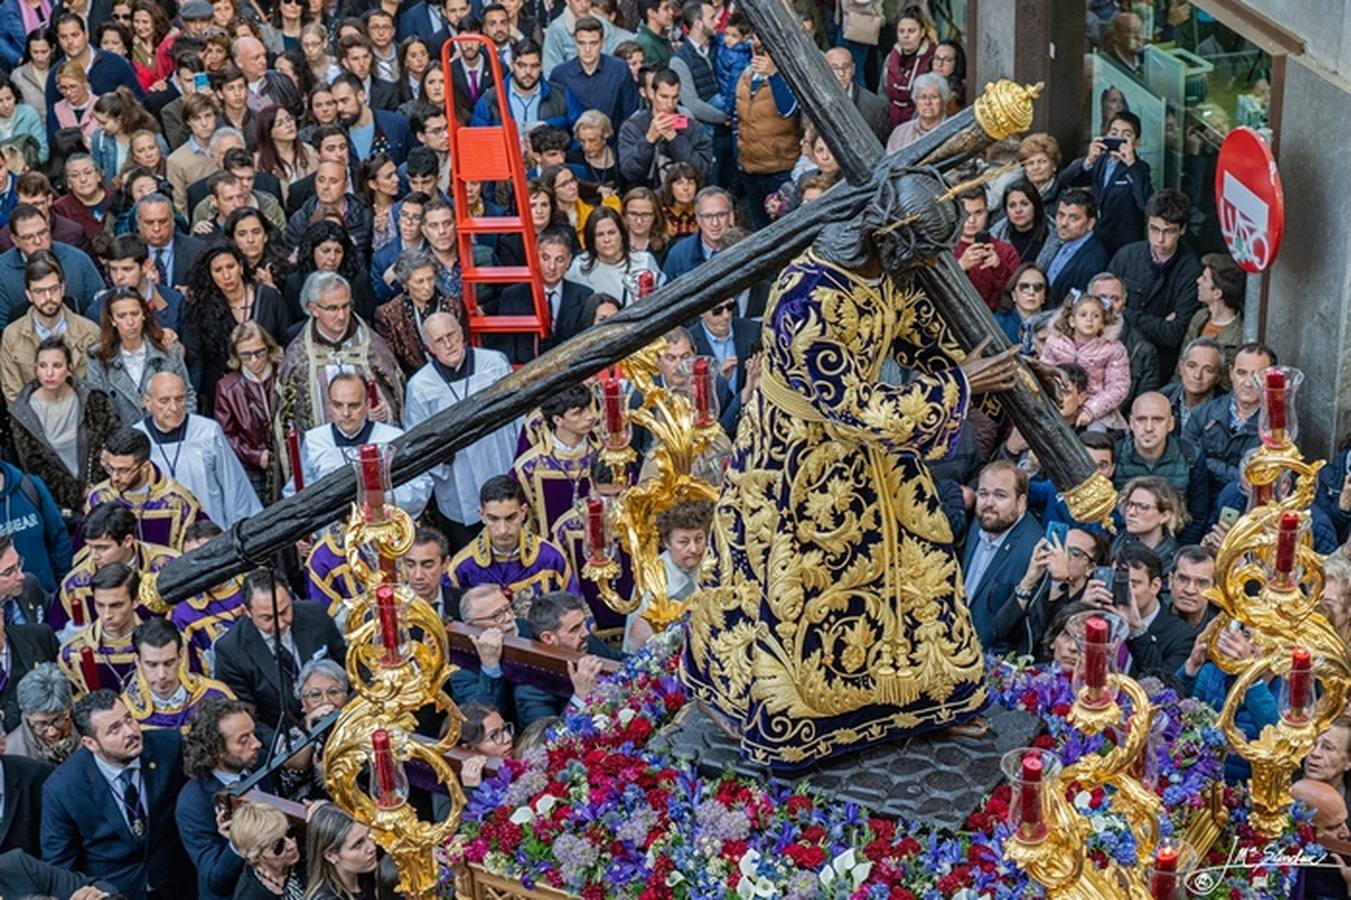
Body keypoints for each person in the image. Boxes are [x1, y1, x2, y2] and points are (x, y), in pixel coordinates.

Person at [39, 689, 189, 899]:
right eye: (114, 729)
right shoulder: (63, 789)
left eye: (129, 719)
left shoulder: (170, 748)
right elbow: (60, 866)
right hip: (115, 893)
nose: (130, 731)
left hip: (178, 886)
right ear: (90, 744)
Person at [405, 313, 518, 550]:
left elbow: (518, 417)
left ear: (462, 333)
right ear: (428, 347)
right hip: (459, 482)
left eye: (452, 335)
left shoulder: (494, 364)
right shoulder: (420, 386)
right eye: (439, 340)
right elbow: (418, 442)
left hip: (499, 464)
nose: (448, 344)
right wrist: (443, 456)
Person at [213, 567, 346, 738]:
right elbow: (245, 716)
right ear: (246, 611)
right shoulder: (230, 651)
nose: (280, 624)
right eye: (267, 618)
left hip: (339, 718)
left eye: (284, 612)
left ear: (290, 595)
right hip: (287, 741)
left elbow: (347, 665)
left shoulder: (315, 614)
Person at [284, 372, 432, 517]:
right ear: (329, 406)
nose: (346, 413)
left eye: (353, 405)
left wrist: (379, 499)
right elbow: (299, 492)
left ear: (367, 405)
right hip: (332, 533)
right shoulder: (313, 441)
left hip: (382, 528)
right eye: (338, 405)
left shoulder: (392, 438)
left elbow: (420, 487)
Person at [276, 272, 403, 434]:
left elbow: (395, 394)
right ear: (313, 309)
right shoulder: (298, 356)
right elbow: (286, 419)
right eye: (332, 308)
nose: (342, 315)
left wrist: (386, 412)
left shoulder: (371, 347)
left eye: (345, 306)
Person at [132, 371, 262, 529]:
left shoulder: (207, 432)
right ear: (147, 401)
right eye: (164, 401)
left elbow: (233, 486)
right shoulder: (136, 439)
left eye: (180, 399)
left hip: (209, 534)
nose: (174, 408)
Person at [182, 244, 290, 411]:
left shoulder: (269, 297)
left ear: (240, 267)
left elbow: (286, 338)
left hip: (269, 389)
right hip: (226, 396)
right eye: (218, 270)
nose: (226, 275)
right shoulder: (203, 308)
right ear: (210, 275)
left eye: (230, 267)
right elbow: (195, 352)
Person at [175, 696, 264, 900]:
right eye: (244, 740)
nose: (257, 743)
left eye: (254, 733)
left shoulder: (260, 764)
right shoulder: (192, 803)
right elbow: (216, 880)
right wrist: (236, 842)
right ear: (217, 750)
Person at [1108, 189, 1203, 377]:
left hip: (1159, 367)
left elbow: (1174, 333)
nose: (1160, 239)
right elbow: (1101, 308)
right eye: (1154, 229)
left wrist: (1124, 312)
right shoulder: (1127, 256)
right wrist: (1158, 323)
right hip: (1116, 356)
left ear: (1182, 230)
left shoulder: (1190, 270)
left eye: (1169, 231)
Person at [448, 476, 578, 609]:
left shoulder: (550, 559)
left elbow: (573, 612)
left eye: (511, 518)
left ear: (523, 512)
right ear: (481, 515)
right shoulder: (462, 567)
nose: (503, 530)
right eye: (493, 519)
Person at [52, 503, 178, 634]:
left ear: (127, 541)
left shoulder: (169, 567)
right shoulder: (74, 585)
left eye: (103, 548)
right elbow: (58, 633)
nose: (94, 556)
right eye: (90, 547)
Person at [85, 288, 193, 425]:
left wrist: (182, 432)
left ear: (144, 314)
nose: (130, 322)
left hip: (168, 434)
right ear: (112, 320)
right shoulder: (98, 357)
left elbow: (187, 395)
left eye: (135, 314)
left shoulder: (168, 350)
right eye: (122, 316)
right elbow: (98, 408)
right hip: (122, 440)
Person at [994, 527, 1108, 658]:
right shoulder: (1041, 583)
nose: (1062, 556)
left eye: (1074, 552)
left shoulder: (1090, 600)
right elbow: (1001, 631)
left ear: (1090, 568)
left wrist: (1061, 584)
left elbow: (1048, 647)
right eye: (1061, 547)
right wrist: (1028, 580)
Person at [85, 428, 203, 552]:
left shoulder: (178, 501)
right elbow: (85, 554)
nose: (114, 477)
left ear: (145, 466)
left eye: (123, 470)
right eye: (110, 469)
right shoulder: (99, 498)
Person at [1113, 392, 1208, 544]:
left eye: (1157, 420)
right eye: (1141, 419)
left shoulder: (1190, 457)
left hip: (1174, 543)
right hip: (1122, 543)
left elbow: (1198, 514)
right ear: (1131, 423)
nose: (1149, 428)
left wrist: (1179, 552)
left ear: (1170, 424)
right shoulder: (1115, 454)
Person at [1183, 342, 1275, 498]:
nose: (1248, 383)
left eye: (1257, 375)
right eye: (1241, 373)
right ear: (1231, 373)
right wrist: (1238, 475)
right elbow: (1186, 459)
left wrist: (1208, 463)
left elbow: (1264, 480)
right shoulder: (1203, 413)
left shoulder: (1278, 427)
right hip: (1199, 497)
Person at [516, 590, 619, 725]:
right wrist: (580, 696)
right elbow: (549, 740)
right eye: (575, 628)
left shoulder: (586, 642)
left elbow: (619, 659)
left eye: (584, 623)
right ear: (548, 638)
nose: (585, 632)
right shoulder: (532, 689)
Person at [1061, 110, 1152, 257]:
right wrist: (1089, 160)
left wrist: (1131, 165)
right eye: (1114, 133)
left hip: (1124, 245)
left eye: (1126, 135)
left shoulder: (1140, 168)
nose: (1118, 138)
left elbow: (1146, 203)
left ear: (1136, 142)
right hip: (1097, 239)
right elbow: (1064, 181)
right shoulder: (1100, 162)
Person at [510, 384, 598, 537]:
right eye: (578, 413)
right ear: (558, 420)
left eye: (588, 408)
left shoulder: (605, 455)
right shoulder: (528, 468)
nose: (590, 416)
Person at [626, 498, 711, 652]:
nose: (694, 549)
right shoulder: (653, 577)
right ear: (667, 542)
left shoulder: (713, 564)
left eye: (699, 539)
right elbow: (639, 636)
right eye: (684, 542)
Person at [1038, 290, 1129, 431]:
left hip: (1097, 409)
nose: (1089, 319)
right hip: (1059, 401)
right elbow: (1044, 372)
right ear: (1072, 320)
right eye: (1083, 314)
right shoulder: (1055, 342)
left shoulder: (1113, 350)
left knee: (1096, 434)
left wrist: (1091, 410)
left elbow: (1118, 387)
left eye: (1096, 316)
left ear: (1102, 324)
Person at [0, 204, 106, 324]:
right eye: (29, 237)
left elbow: (101, 308)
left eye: (42, 233)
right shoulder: (2, 272)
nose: (38, 241)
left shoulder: (78, 261)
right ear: (15, 240)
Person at [121, 617, 233, 730]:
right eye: (152, 665)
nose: (161, 675)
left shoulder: (216, 696)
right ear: (137, 661)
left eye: (169, 663)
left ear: (181, 656)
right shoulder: (126, 711)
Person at [214, 322, 283, 502]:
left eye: (259, 352)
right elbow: (225, 436)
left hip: (289, 459)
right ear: (236, 355)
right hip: (252, 467)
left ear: (269, 348)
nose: (254, 360)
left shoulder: (283, 374)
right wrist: (255, 455)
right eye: (246, 355)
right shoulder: (227, 387)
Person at [373, 247, 464, 377]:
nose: (427, 287)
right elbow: (391, 362)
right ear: (405, 283)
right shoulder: (388, 314)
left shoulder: (454, 305)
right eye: (419, 281)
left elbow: (462, 345)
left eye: (430, 279)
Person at [617, 66, 712, 189]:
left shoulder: (692, 127)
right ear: (652, 94)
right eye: (664, 96)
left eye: (675, 97)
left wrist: (675, 139)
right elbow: (629, 172)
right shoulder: (632, 127)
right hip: (646, 198)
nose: (669, 104)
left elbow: (701, 170)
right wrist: (648, 140)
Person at [171, 520, 246, 675]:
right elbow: (193, 673)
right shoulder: (185, 613)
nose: (201, 566)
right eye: (192, 560)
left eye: (208, 555)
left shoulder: (255, 583)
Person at [58, 562, 147, 693]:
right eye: (100, 605)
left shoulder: (160, 644)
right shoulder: (72, 652)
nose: (106, 615)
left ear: (136, 601)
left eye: (116, 605)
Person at [1113, 541, 1191, 688]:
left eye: (1133, 584)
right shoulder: (1103, 617)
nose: (1123, 591)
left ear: (1155, 586)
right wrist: (1085, 611)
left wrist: (1137, 630)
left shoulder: (1181, 636)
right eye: (1117, 582)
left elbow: (1164, 688)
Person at [0, 553, 59, 731]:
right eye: (8, 572)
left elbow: (55, 617)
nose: (21, 576)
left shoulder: (29, 586)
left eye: (19, 565)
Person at [566, 206, 661, 305]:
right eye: (600, 235)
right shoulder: (579, 266)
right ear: (591, 239)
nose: (607, 240)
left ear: (621, 234)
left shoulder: (644, 261)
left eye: (611, 233)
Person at [1181, 252, 1245, 389]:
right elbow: (1182, 362)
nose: (1198, 281)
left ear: (1217, 293)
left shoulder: (1239, 337)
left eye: (1204, 279)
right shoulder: (1200, 317)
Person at [953, 187, 1019, 312]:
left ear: (987, 212)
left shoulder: (1006, 252)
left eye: (978, 213)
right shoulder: (942, 252)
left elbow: (1015, 299)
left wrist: (999, 267)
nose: (971, 220)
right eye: (966, 214)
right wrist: (960, 266)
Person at [1039, 188, 1108, 303]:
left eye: (1073, 218)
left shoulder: (1093, 261)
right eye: (1061, 215)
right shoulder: (1056, 240)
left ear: (1090, 223)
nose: (1064, 223)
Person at [227, 801, 303, 900]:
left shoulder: (303, 854)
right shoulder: (250, 896)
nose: (291, 845)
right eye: (278, 846)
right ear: (256, 856)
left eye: (290, 833)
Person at [303, 803, 378, 900]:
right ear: (331, 856)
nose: (372, 847)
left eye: (369, 835)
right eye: (357, 845)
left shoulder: (365, 875)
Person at [6, 663, 79, 763]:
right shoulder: (12, 754)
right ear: (27, 714)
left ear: (69, 706)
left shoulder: (90, 726)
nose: (52, 732)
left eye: (58, 720)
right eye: (41, 724)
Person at [1113, 476, 1186, 574]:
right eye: (1129, 504)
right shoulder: (1119, 540)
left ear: (1164, 516)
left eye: (1143, 507)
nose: (1131, 512)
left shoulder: (1173, 560)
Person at [660, 185, 730, 282]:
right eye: (708, 216)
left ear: (730, 216)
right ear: (698, 219)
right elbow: (665, 295)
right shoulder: (678, 255)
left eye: (721, 215)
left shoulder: (745, 247)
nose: (715, 223)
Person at [880, 5, 934, 128]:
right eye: (901, 31)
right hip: (890, 122)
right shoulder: (890, 58)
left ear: (922, 32)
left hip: (918, 124)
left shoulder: (931, 60)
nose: (906, 36)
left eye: (911, 31)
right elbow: (882, 91)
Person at [824, 47, 889, 142]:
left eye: (845, 67)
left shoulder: (874, 107)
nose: (841, 73)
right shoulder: (814, 99)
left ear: (853, 69)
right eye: (834, 68)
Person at [1161, 336, 1223, 434]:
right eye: (1191, 366)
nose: (1197, 375)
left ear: (1217, 377)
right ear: (1181, 368)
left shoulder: (1225, 409)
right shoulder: (1164, 398)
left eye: (1208, 370)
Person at [884, 70, 948, 152]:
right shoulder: (900, 133)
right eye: (922, 97)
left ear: (943, 101)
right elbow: (889, 163)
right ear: (915, 101)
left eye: (934, 97)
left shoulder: (954, 132)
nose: (928, 102)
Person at [990, 180, 1048, 265]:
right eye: (1012, 205)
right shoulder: (995, 235)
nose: (1018, 210)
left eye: (1024, 204)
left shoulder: (1053, 238)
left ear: (1035, 205)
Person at [1169, 544, 1216, 634]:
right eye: (1183, 579)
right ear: (1170, 580)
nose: (1190, 590)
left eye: (1202, 583)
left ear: (1214, 589)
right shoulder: (1149, 621)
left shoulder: (1221, 634)